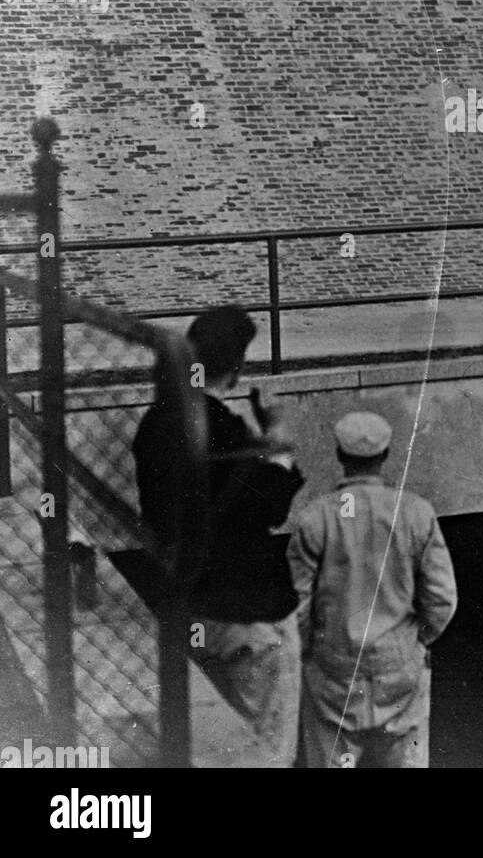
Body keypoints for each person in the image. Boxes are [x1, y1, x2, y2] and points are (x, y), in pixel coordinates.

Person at [133, 304, 305, 767]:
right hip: (248, 613)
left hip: (191, 606)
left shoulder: (155, 423)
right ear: (236, 368)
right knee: (267, 753)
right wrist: (278, 444)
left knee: (211, 752)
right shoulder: (227, 431)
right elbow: (269, 506)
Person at [287, 411, 457, 768]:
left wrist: (310, 651)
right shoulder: (416, 513)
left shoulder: (315, 518)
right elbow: (442, 599)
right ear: (386, 455)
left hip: (334, 666)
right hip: (399, 665)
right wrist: (416, 642)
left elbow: (297, 605)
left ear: (338, 455)